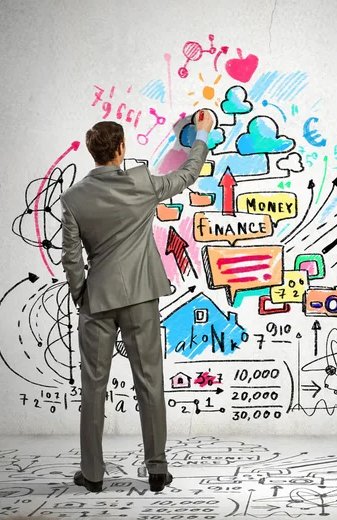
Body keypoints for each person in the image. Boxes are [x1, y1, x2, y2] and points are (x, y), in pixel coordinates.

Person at [60, 110, 212, 493]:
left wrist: (82, 293)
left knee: (93, 387)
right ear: (121, 149)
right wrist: (201, 135)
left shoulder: (74, 198)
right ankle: (157, 470)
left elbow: (71, 256)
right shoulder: (142, 183)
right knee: (150, 382)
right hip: (142, 297)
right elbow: (187, 175)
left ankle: (92, 474)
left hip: (97, 299)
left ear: (93, 154)